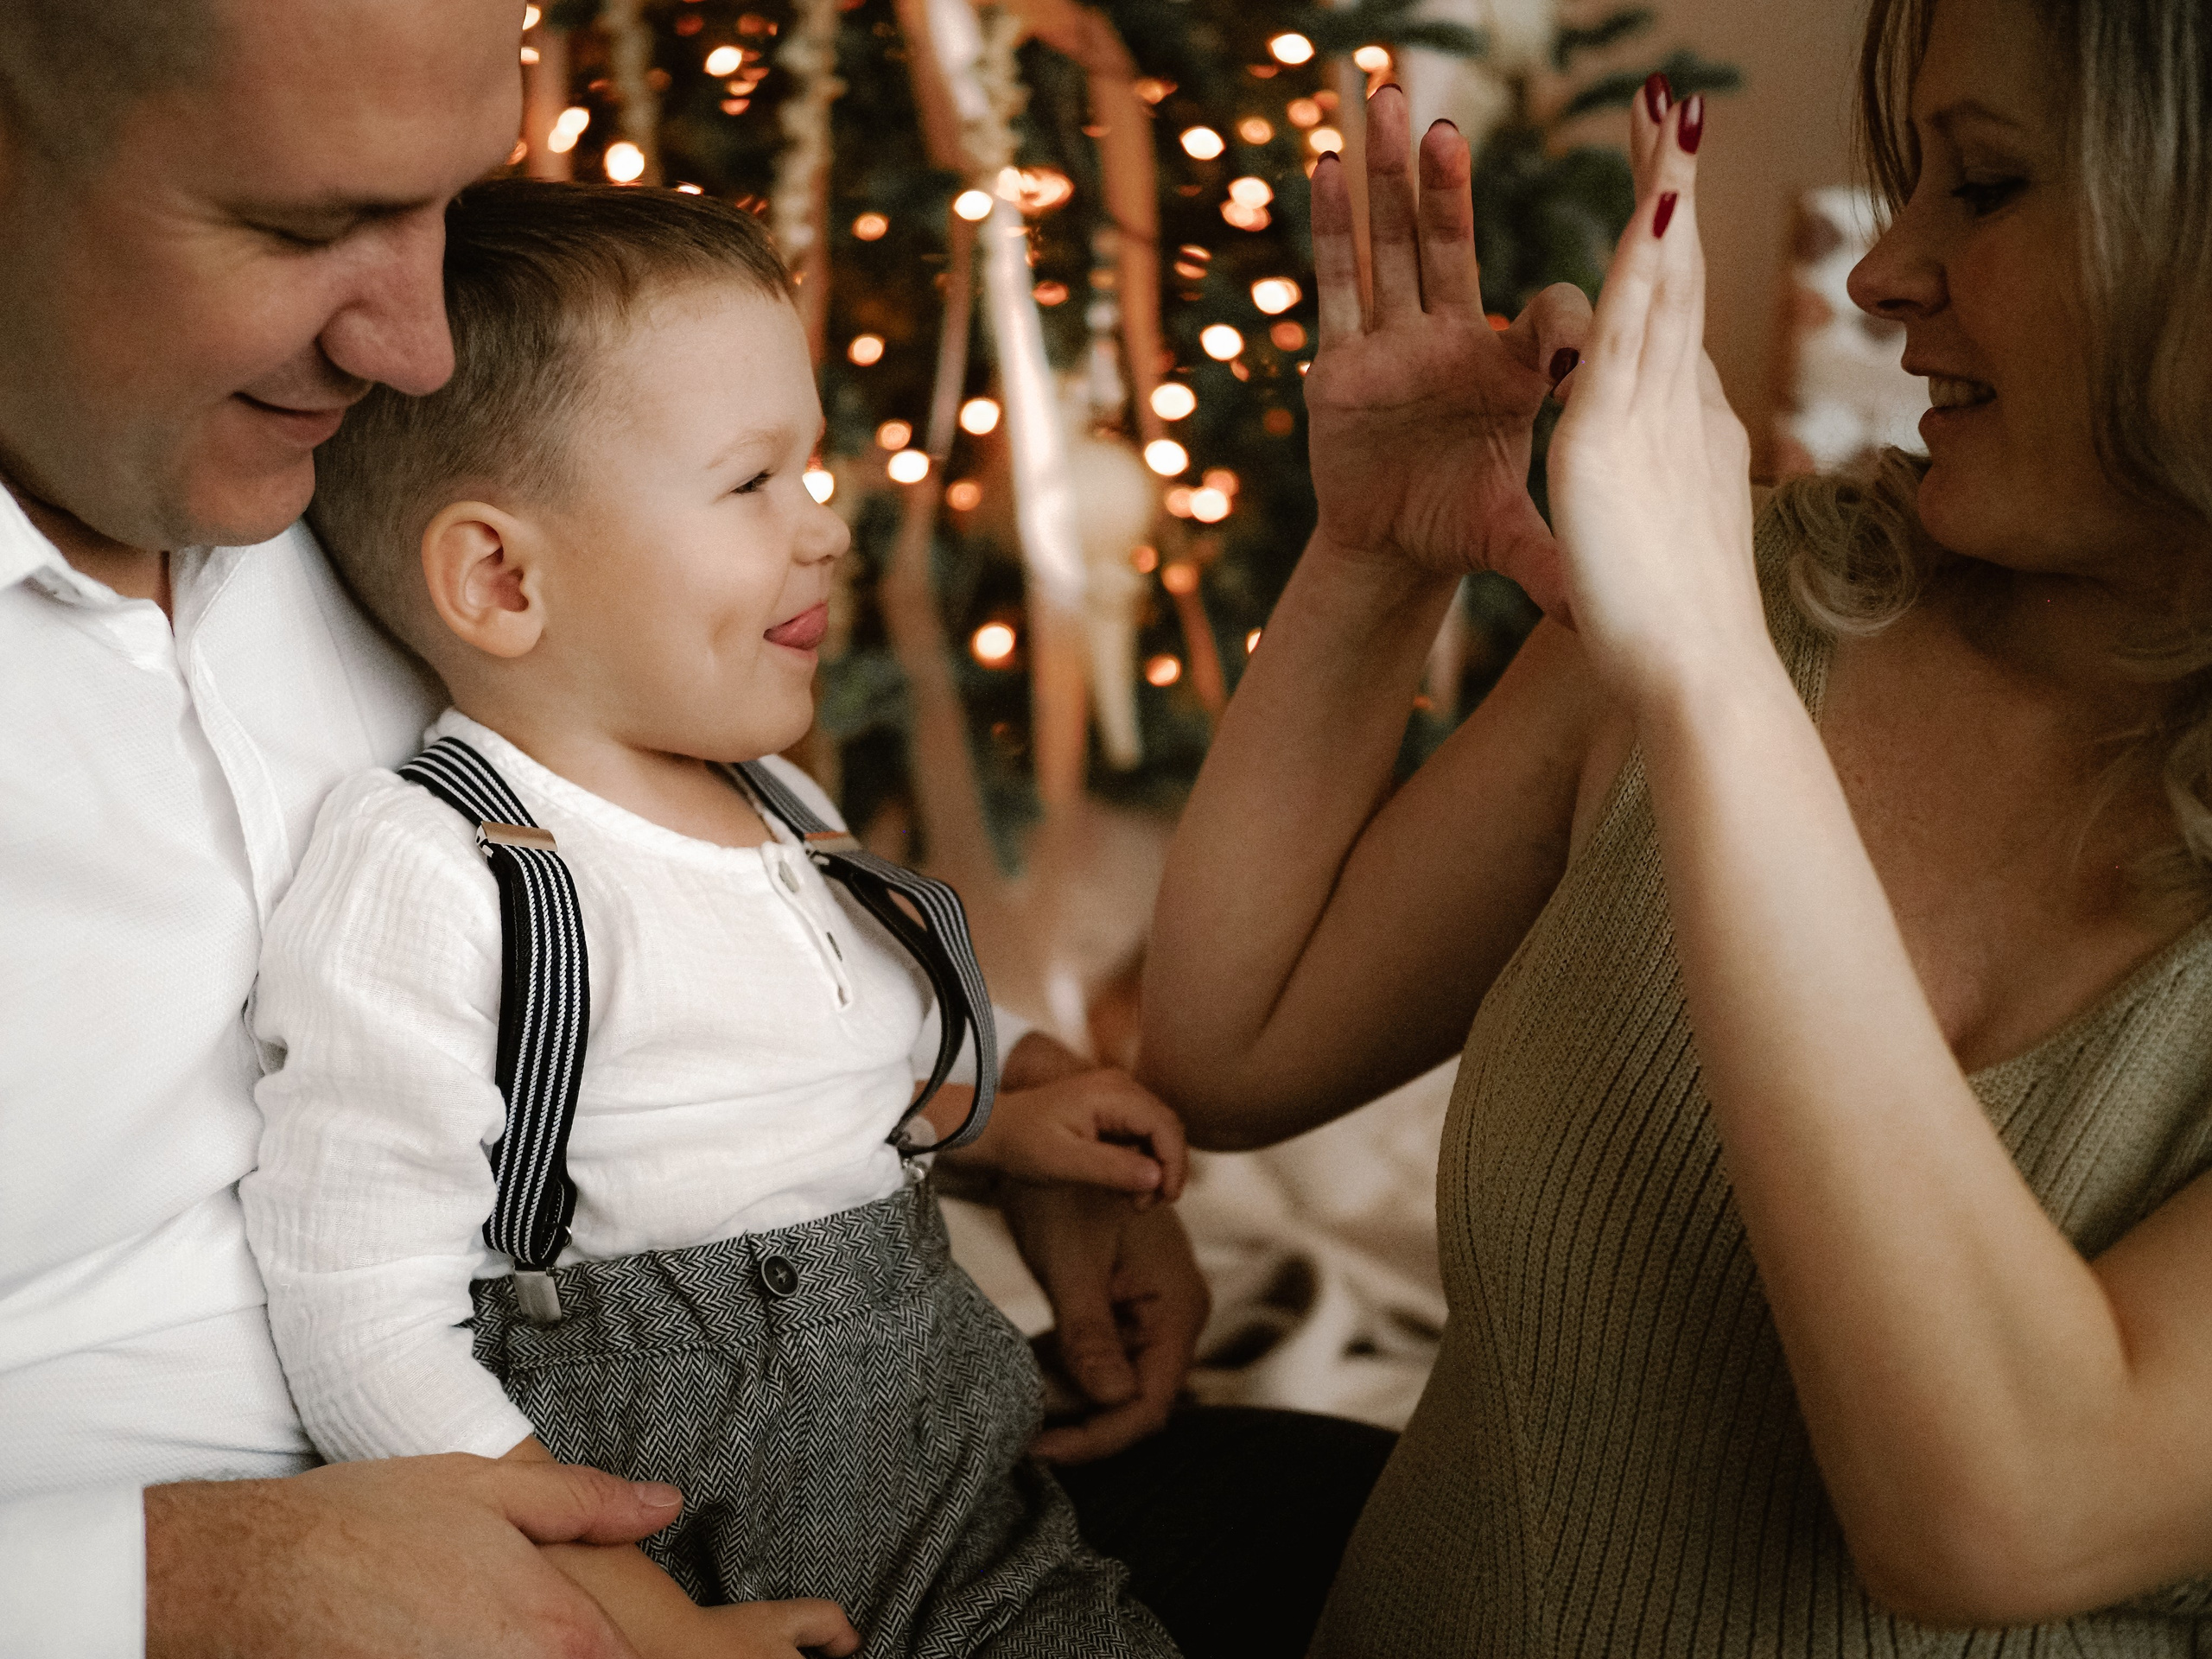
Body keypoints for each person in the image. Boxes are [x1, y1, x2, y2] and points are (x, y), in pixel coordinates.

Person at [0, 3, 1388, 1654]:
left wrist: (996, 1096)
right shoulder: (439, 688)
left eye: (449, 202)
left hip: (885, 1461)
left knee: (1407, 1524)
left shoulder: (386, 470)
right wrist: (192, 1583)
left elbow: (714, 910)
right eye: (306, 227)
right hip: (498, 1528)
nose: (419, 344)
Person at [1141, 0, 2212, 1650]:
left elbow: (2002, 1516)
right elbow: (1235, 1043)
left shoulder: (1708, 622)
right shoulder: (1781, 586)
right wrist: (1375, 561)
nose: (1883, 273)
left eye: (1986, 188)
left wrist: (1712, 679)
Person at [242, 176, 1184, 1659]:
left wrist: (997, 1110)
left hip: (963, 1526)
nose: (825, 529)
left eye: (811, 473)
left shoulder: (777, 799)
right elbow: (357, 1313)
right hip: (667, 1569)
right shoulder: (443, 869)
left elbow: (805, 1062)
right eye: (755, 484)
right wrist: (586, 1594)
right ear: (501, 576)